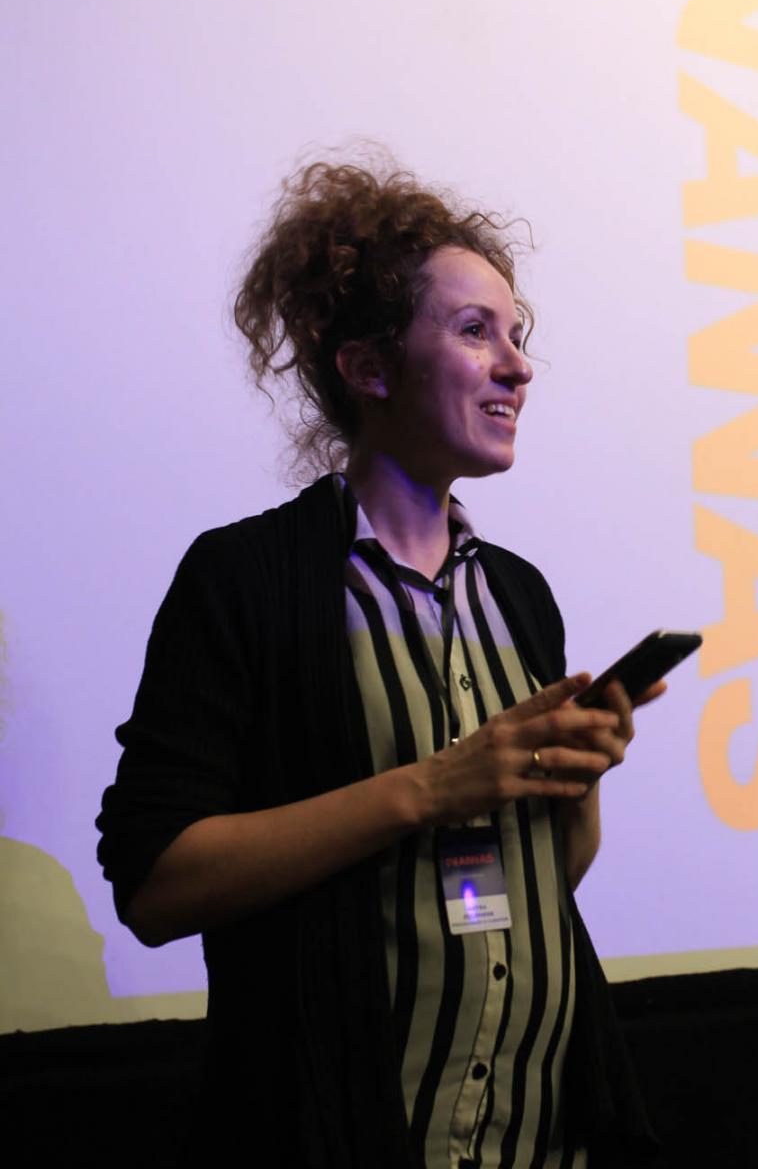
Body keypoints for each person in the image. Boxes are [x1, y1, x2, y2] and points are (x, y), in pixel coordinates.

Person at [96, 157, 662, 1169]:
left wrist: (576, 780)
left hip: (546, 1138)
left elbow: (544, 878)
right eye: (476, 331)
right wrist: (431, 788)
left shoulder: (520, 596)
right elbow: (155, 885)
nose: (518, 367)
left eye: (518, 333)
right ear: (368, 368)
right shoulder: (247, 580)